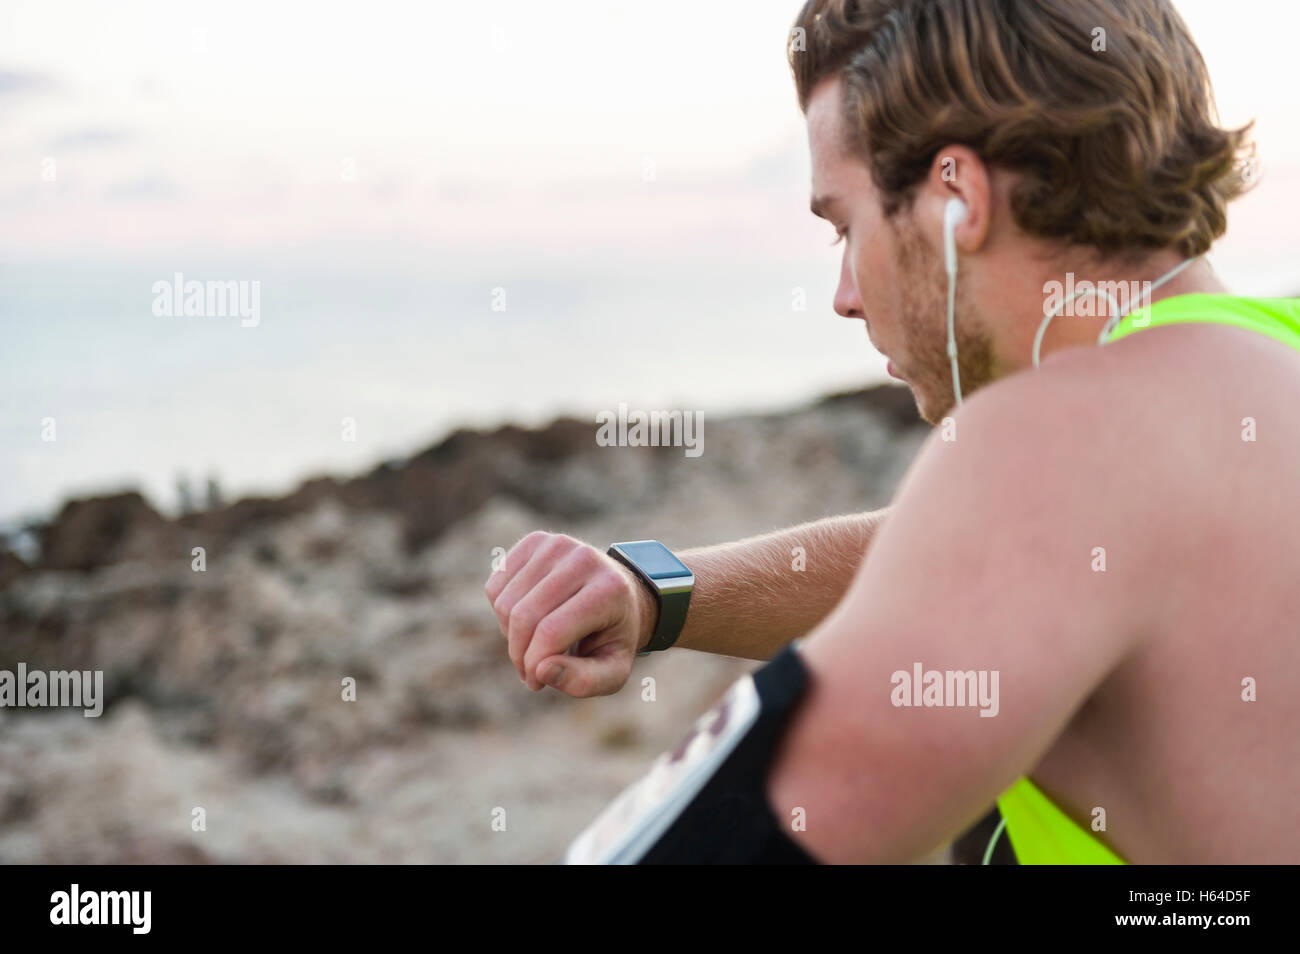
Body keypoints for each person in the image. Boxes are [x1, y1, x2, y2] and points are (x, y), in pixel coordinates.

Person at [484, 0, 1300, 863]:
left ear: (959, 200)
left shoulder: (1068, 443)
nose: (844, 291)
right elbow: (979, 562)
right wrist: (656, 594)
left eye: (846, 226)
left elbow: (696, 846)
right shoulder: (1258, 360)